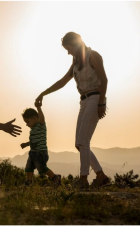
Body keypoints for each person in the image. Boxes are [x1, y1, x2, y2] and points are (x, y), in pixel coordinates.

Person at [35, 32, 110, 189]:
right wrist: (44, 93)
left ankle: (83, 180)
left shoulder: (93, 56)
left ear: (75, 44)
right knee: (79, 144)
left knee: (83, 141)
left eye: (68, 48)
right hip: (83, 101)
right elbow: (62, 81)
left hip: (95, 98)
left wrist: (101, 103)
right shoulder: (76, 63)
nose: (68, 52)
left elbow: (104, 80)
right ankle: (101, 176)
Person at [20, 101, 61, 187]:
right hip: (32, 152)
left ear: (34, 119)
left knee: (41, 167)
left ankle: (55, 177)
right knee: (28, 167)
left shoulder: (40, 125)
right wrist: (26, 144)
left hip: (40, 153)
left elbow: (42, 118)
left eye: (27, 122)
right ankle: (29, 182)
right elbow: (33, 142)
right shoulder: (33, 130)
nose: (27, 125)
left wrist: (38, 108)